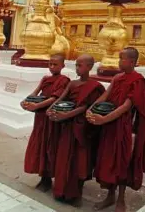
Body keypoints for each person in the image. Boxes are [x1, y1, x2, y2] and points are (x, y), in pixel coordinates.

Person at [86, 47, 145, 212]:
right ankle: (110, 196)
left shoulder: (138, 80)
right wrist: (91, 109)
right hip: (109, 127)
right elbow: (106, 95)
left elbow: (126, 106)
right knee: (108, 161)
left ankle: (121, 199)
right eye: (119, 58)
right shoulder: (117, 78)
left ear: (132, 62)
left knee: (122, 162)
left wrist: (104, 119)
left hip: (124, 127)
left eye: (122, 59)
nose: (119, 62)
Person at [49, 54, 105, 205]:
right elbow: (62, 97)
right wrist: (52, 108)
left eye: (80, 65)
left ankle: (77, 193)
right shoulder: (72, 83)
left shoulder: (95, 86)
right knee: (63, 158)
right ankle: (60, 191)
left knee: (80, 161)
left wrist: (65, 115)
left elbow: (86, 107)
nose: (77, 68)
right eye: (76, 65)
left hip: (82, 128)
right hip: (68, 127)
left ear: (89, 67)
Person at [20, 54, 70, 192]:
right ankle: (43, 177)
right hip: (40, 118)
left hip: (52, 118)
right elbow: (35, 93)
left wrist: (36, 106)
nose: (52, 67)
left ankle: (49, 177)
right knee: (40, 146)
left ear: (62, 66)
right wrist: (25, 101)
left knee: (50, 146)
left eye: (55, 64)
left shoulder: (64, 80)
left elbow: (56, 98)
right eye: (50, 64)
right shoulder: (45, 79)